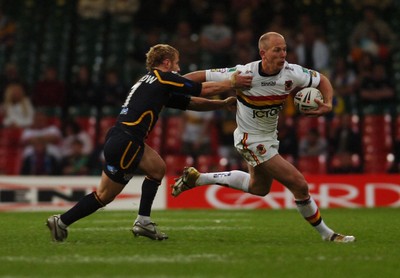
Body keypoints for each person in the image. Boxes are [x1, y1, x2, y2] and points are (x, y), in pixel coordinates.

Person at [46, 44, 252, 242]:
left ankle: (141, 221)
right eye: (177, 63)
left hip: (121, 137)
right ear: (167, 62)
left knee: (157, 168)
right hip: (127, 141)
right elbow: (200, 89)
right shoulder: (163, 77)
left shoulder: (151, 82)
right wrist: (232, 83)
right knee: (105, 196)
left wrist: (222, 103)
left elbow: (190, 103)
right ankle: (63, 221)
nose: (179, 69)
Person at [172, 32, 355, 243]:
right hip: (251, 140)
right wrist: (172, 84)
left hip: (269, 138)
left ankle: (199, 178)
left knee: (259, 188)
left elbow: (322, 79)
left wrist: (329, 103)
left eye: (285, 49)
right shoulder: (244, 74)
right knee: (299, 185)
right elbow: (201, 75)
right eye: (277, 50)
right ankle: (328, 235)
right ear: (263, 53)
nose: (283, 54)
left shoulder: (291, 73)